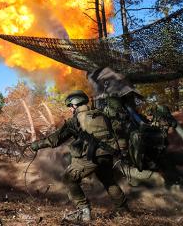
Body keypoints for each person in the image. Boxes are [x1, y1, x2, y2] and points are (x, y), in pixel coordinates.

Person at [30, 90, 128, 222]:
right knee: (108, 180)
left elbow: (55, 139)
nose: (70, 109)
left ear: (75, 104)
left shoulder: (75, 120)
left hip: (91, 156)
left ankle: (84, 212)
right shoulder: (102, 115)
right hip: (108, 155)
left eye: (70, 106)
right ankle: (123, 210)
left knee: (69, 179)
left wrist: (36, 145)